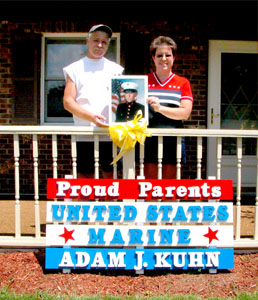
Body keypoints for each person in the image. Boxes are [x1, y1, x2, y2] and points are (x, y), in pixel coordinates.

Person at [63, 24, 124, 178]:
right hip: (84, 133)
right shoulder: (74, 69)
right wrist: (91, 118)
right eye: (96, 40)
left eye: (104, 42)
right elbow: (68, 102)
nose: (99, 45)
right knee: (85, 181)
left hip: (110, 135)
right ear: (87, 41)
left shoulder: (116, 70)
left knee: (112, 182)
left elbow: (123, 101)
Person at [144, 36, 193, 179]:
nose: (163, 59)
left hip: (173, 138)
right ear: (153, 58)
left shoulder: (183, 83)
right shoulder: (144, 81)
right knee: (149, 187)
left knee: (170, 188)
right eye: (159, 55)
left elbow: (185, 113)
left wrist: (160, 108)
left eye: (168, 55)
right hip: (148, 138)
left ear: (174, 57)